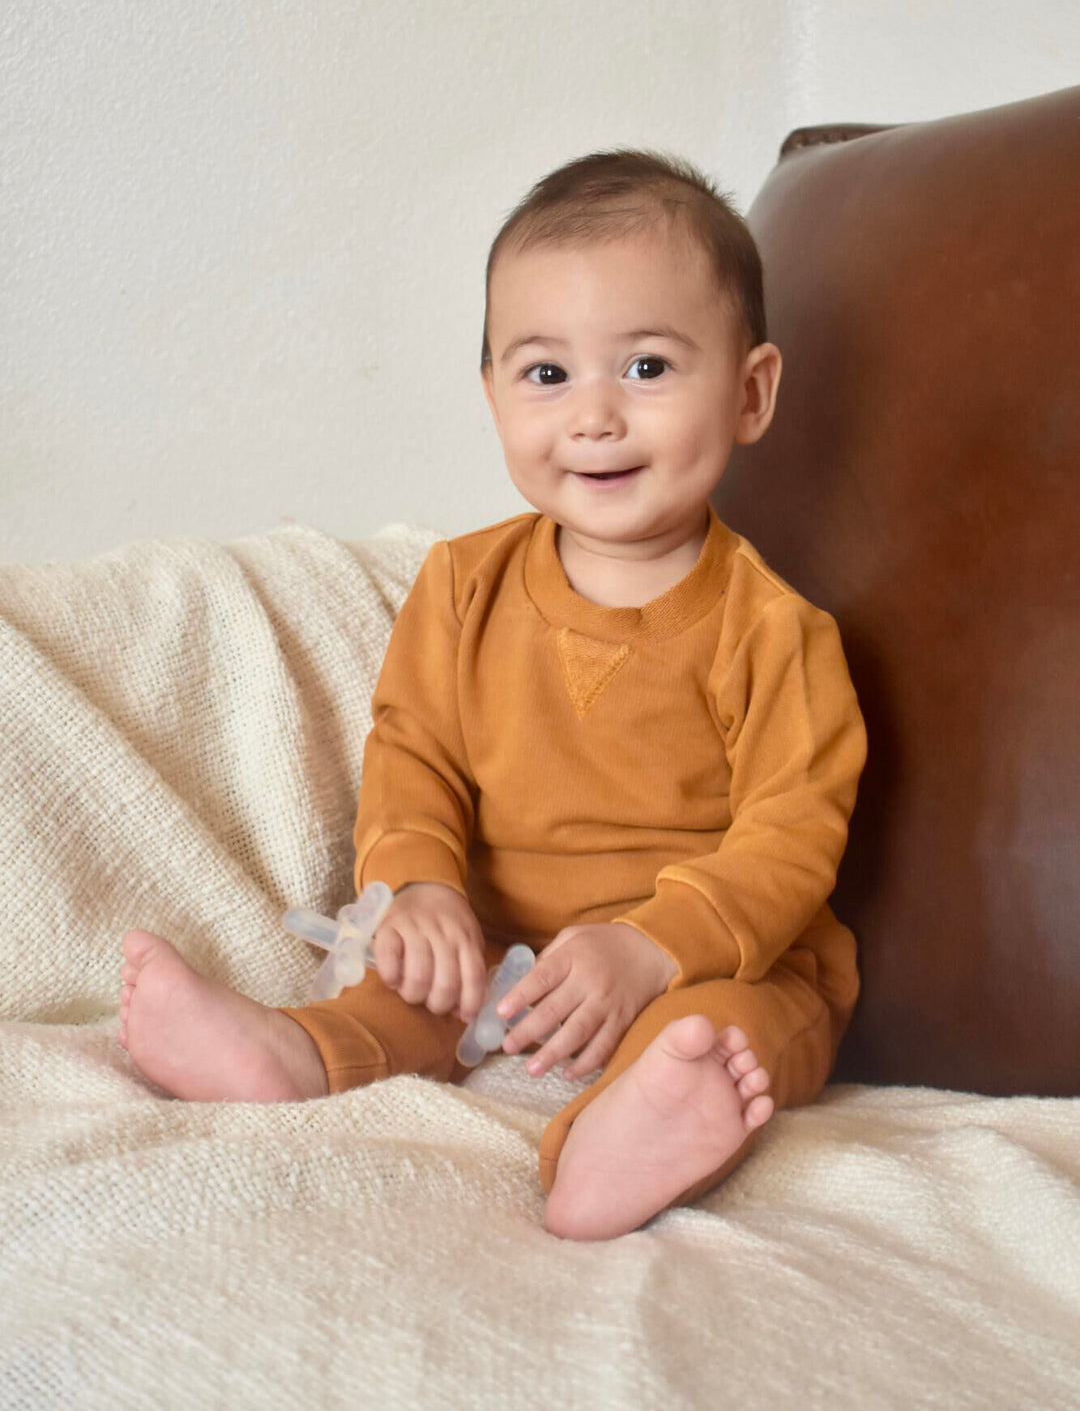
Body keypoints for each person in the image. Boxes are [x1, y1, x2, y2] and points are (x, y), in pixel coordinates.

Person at [118, 150, 866, 1242]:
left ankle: (619, 1140)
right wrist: (416, 888)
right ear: (492, 395)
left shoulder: (777, 633)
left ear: (750, 392)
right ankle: (291, 1054)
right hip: (502, 949)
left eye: (649, 368)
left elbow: (792, 839)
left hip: (705, 957)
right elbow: (413, 754)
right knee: (413, 988)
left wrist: (655, 947)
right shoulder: (460, 586)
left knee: (724, 1038)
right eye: (547, 375)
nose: (595, 417)